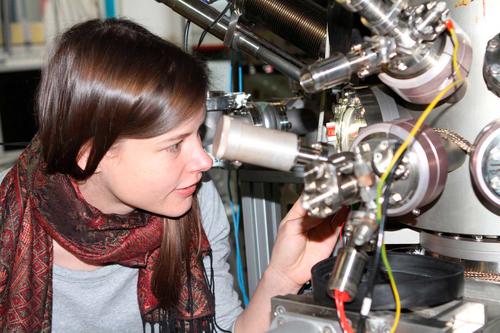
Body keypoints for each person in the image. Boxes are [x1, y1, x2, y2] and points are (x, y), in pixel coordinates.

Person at [0, 19, 340, 332]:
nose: (205, 161)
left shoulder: (195, 201)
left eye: (197, 133)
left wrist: (281, 278)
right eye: (174, 145)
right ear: (90, 155)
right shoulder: (10, 230)